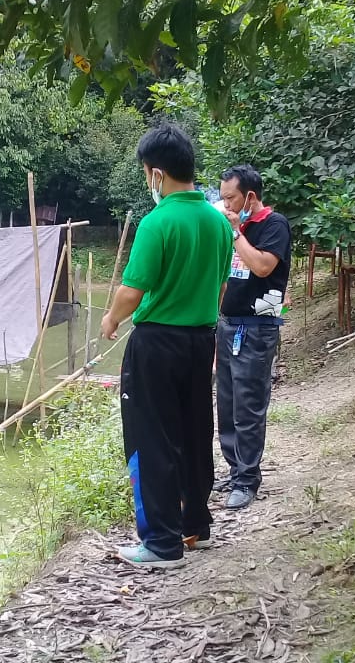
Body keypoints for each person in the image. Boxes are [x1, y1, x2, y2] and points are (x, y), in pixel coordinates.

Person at [100, 123, 232, 568]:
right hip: (201, 340)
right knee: (194, 432)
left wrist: (111, 317)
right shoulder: (218, 222)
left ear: (156, 173)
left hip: (156, 343)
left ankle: (160, 542)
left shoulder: (158, 223)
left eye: (144, 174)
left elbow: (132, 290)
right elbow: (218, 287)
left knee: (151, 438)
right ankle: (195, 525)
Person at [212, 165, 291, 510]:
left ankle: (247, 479)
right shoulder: (236, 228)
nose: (225, 204)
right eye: (223, 198)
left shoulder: (274, 225)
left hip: (257, 328)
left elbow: (262, 267)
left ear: (250, 197)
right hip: (228, 325)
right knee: (227, 405)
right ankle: (234, 470)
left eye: (230, 198)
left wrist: (234, 233)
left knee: (248, 405)